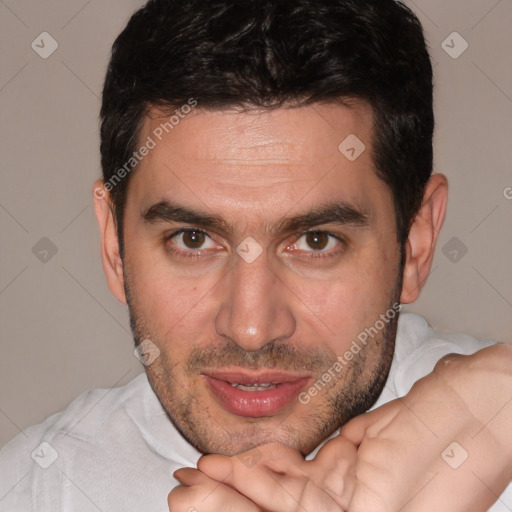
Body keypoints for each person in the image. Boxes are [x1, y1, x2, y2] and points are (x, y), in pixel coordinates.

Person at [1, 0, 511, 510]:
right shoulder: (33, 488)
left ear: (415, 242)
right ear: (114, 247)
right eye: (193, 239)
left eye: (316, 241)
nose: (251, 328)